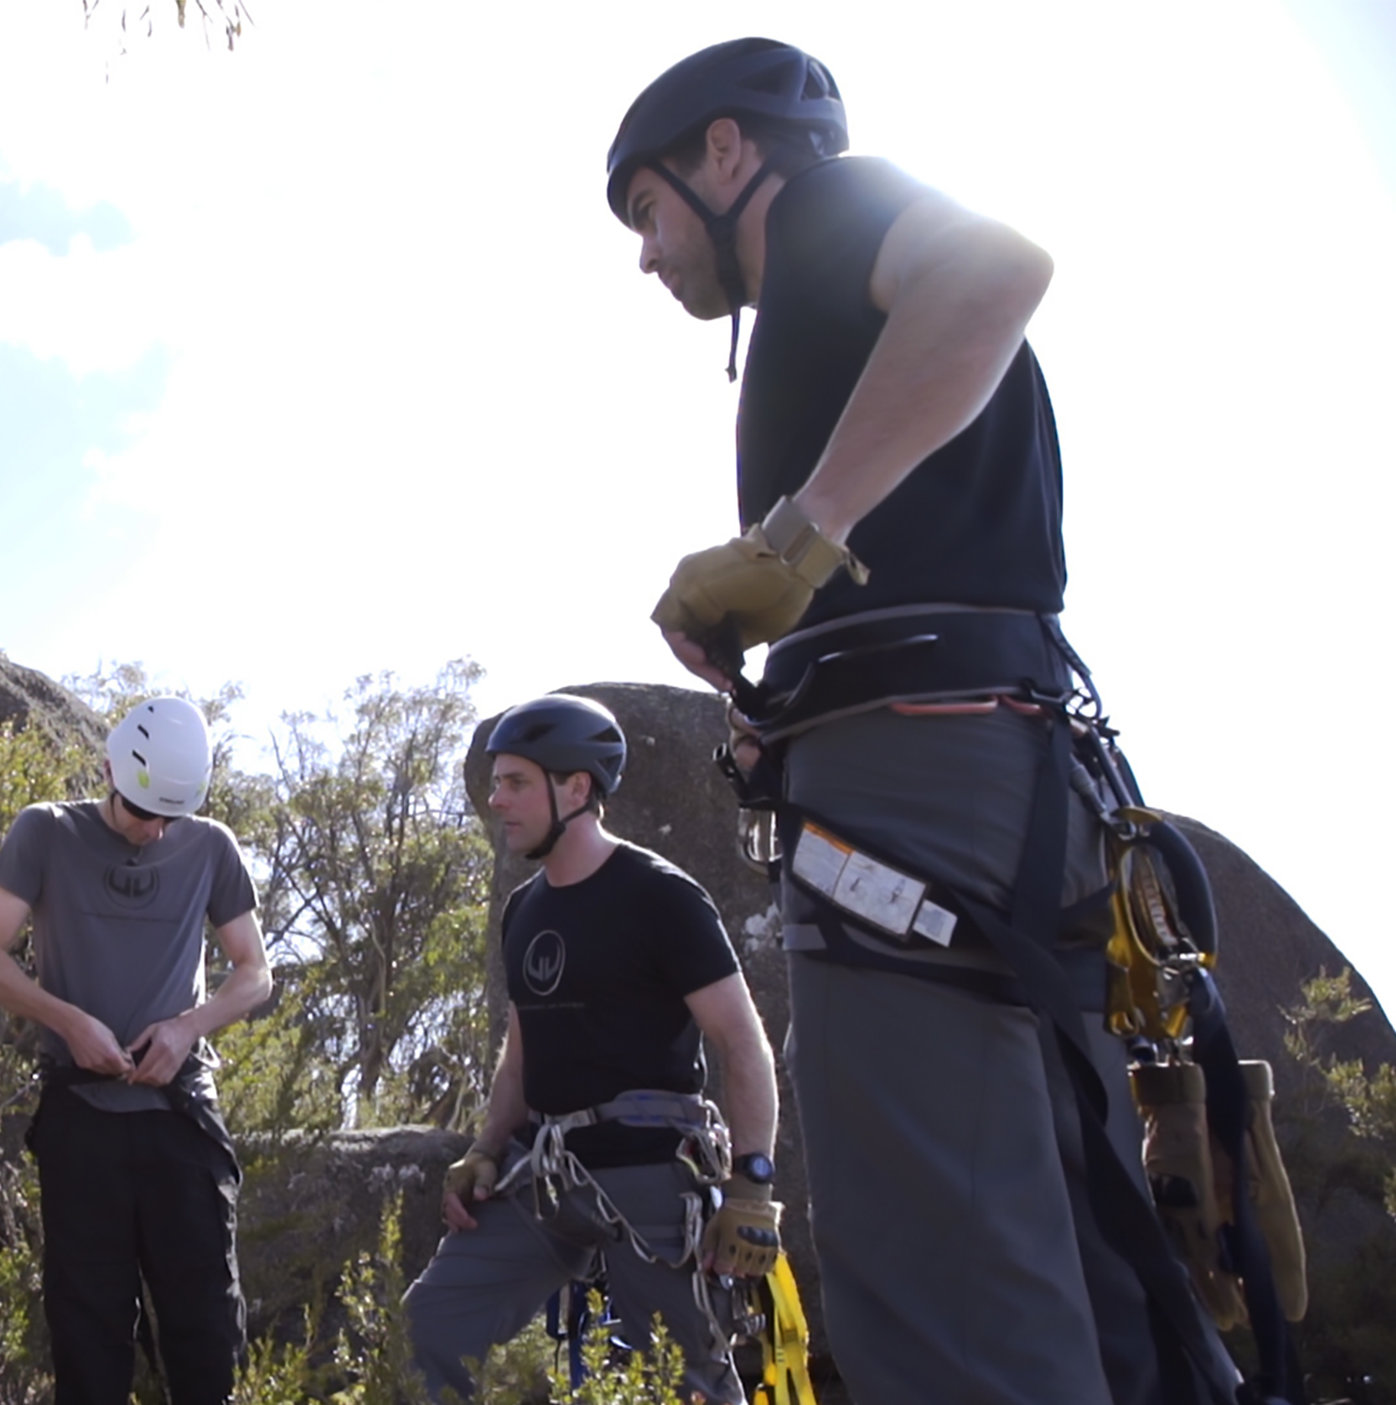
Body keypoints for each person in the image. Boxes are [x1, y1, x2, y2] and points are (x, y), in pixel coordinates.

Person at [607, 38, 1246, 1405]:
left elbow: (997, 268)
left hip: (918, 781)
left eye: (647, 209)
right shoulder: (829, 301)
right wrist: (786, 628)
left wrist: (799, 532)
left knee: (941, 1278)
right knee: (1076, 1249)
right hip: (988, 767)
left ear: (730, 154)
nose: (647, 254)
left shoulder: (831, 208)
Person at [403, 694, 778, 1405]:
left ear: (577, 788)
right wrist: (485, 1148)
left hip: (651, 1173)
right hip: (544, 1174)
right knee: (430, 1325)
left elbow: (742, 1042)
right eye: (495, 782)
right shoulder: (525, 909)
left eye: (515, 782)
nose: (496, 799)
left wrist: (753, 1187)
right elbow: (520, 1052)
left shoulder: (662, 896)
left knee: (680, 1380)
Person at [0, 696, 272, 1405]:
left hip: (180, 1112)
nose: (155, 828)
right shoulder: (45, 831)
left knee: (208, 1330)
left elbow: (255, 972)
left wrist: (188, 1026)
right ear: (107, 769)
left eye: (171, 815)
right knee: (89, 1335)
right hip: (82, 1119)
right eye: (141, 809)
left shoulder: (210, 845)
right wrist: (67, 1019)